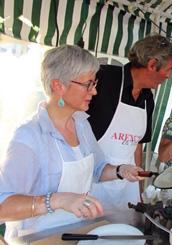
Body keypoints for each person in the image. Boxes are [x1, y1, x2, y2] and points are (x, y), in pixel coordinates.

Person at [0, 45, 143, 243]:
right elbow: (3, 206)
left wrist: (120, 170)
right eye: (88, 84)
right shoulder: (29, 136)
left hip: (79, 230)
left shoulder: (82, 125)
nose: (94, 92)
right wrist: (57, 200)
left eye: (95, 83)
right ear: (58, 85)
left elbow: (98, 169)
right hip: (39, 238)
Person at [86, 35, 172, 218]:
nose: (168, 76)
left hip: (126, 186)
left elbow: (137, 145)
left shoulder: (147, 99)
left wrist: (139, 191)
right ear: (152, 64)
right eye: (169, 69)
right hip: (92, 185)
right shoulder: (104, 78)